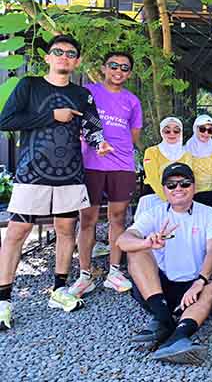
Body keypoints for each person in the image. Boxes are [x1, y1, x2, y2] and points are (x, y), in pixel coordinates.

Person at [0, 35, 112, 328]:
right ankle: (3, 301)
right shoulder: (29, 86)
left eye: (70, 53)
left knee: (66, 229)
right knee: (17, 232)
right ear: (48, 57)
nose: (64, 56)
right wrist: (52, 115)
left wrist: (99, 143)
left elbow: (92, 126)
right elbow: (5, 121)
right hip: (32, 172)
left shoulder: (82, 94)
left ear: (77, 61)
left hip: (69, 174)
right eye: (58, 51)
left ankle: (59, 290)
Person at [118, 163, 212, 364]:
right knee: (136, 251)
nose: (178, 188)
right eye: (171, 185)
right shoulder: (153, 213)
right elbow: (122, 240)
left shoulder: (210, 214)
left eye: (184, 183)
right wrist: (146, 243)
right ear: (164, 189)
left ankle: (177, 338)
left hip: (191, 288)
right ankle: (164, 319)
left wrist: (200, 281)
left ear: (194, 186)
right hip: (156, 288)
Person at [73, 51, 142, 297]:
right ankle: (84, 274)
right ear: (104, 68)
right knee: (87, 219)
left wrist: (118, 149)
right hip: (91, 164)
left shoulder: (132, 100)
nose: (118, 71)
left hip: (122, 165)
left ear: (129, 74)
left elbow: (133, 135)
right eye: (113, 65)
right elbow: (77, 123)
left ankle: (114, 272)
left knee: (118, 218)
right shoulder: (88, 92)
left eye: (124, 68)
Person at [143, 117, 192, 200]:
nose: (172, 134)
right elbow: (152, 178)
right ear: (161, 132)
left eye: (176, 131)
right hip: (154, 194)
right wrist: (166, 197)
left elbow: (188, 178)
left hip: (178, 195)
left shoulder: (186, 154)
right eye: (167, 131)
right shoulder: (151, 152)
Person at [184, 115, 212, 207]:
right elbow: (187, 172)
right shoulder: (187, 149)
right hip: (195, 192)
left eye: (210, 130)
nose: (206, 133)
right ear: (196, 129)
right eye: (202, 129)